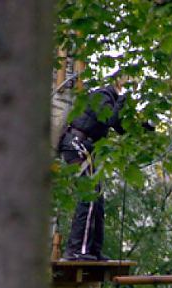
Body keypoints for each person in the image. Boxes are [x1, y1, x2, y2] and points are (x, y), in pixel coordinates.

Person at [58, 74, 135, 261]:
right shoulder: (102, 95)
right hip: (77, 144)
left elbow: (120, 126)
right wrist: (122, 101)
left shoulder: (111, 102)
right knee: (90, 195)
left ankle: (93, 250)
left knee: (97, 199)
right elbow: (109, 119)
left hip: (84, 148)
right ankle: (76, 250)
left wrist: (142, 126)